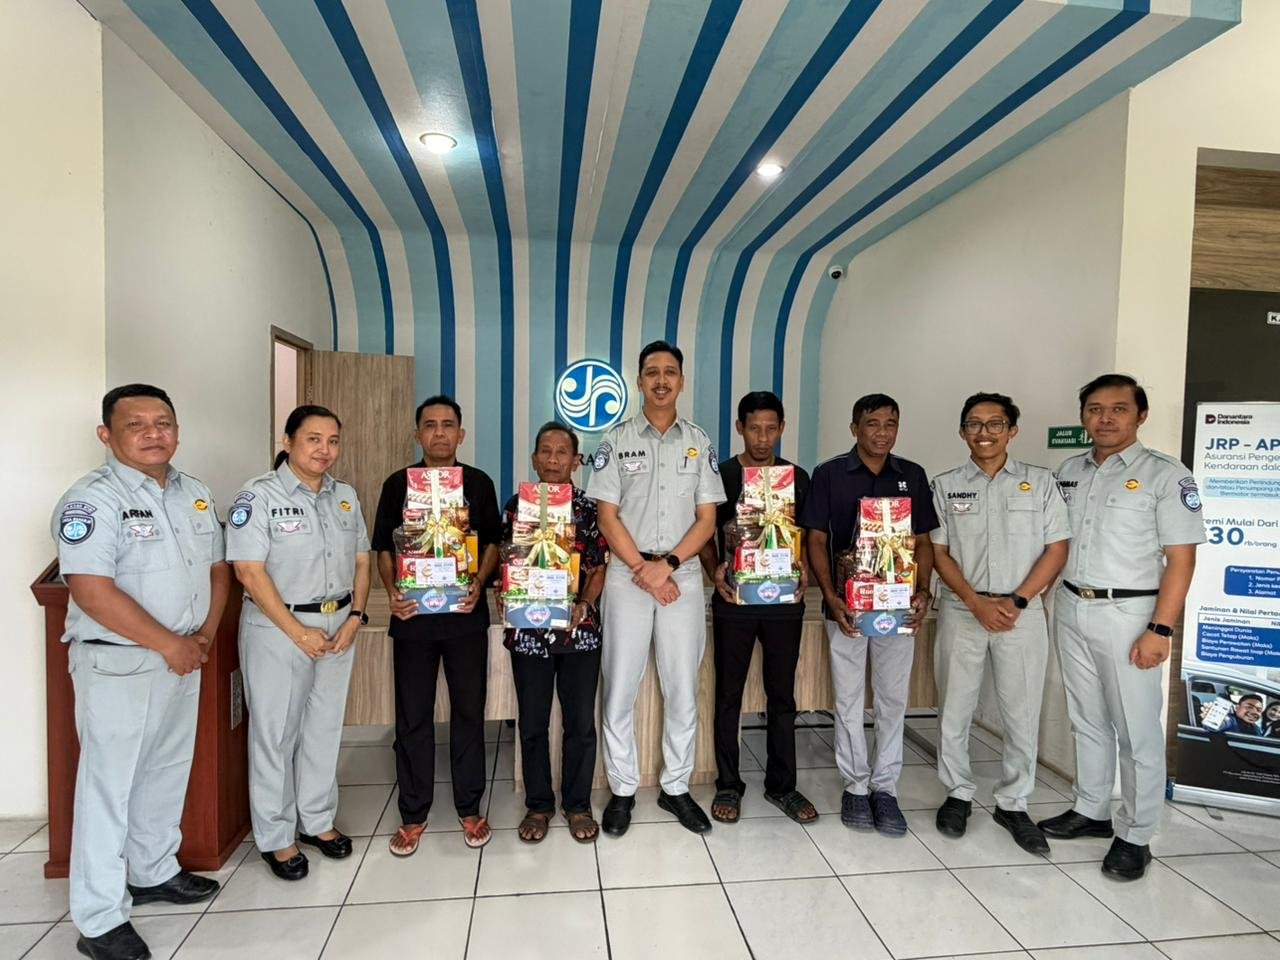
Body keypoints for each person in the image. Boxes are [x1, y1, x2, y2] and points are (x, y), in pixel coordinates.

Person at [53, 384, 229, 960]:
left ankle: (153, 870)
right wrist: (169, 643)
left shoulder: (194, 493)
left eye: (164, 423)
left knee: (165, 768)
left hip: (184, 657)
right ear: (106, 435)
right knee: (108, 787)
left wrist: (202, 637)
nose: (154, 434)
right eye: (137, 425)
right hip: (119, 664)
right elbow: (91, 590)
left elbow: (218, 569)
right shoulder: (91, 500)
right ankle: (100, 918)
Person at [1038, 374, 1205, 881]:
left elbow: (1181, 560)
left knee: (1136, 730)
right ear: (1083, 416)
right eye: (1094, 409)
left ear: (1140, 416)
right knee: (1086, 718)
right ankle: (1092, 809)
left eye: (1118, 409)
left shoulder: (1165, 475)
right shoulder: (1069, 471)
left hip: (1131, 614)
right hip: (1071, 605)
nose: (1105, 418)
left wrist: (1161, 629)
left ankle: (1136, 834)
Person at [226, 405, 371, 881]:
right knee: (275, 734)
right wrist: (297, 632)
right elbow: (248, 571)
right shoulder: (258, 496)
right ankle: (276, 836)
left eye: (333, 440)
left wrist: (356, 617)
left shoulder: (344, 496)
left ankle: (317, 820)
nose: (324, 450)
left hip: (338, 627)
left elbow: (362, 562)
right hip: (279, 631)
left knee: (323, 729)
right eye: (313, 439)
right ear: (287, 441)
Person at [587, 340, 726, 836]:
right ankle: (623, 789)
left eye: (670, 372)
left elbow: (707, 519)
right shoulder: (615, 440)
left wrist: (665, 565)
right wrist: (642, 569)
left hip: (679, 574)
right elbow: (607, 516)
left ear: (681, 381)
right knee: (619, 687)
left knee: (682, 688)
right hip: (627, 575)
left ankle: (676, 787)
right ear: (639, 381)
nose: (661, 380)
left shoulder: (699, 442)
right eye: (652, 372)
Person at [929, 392, 1070, 853]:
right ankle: (957, 792)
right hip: (962, 610)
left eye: (995, 423)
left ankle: (1013, 801)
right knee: (954, 708)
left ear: (1012, 430)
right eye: (974, 424)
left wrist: (1018, 600)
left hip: (1020, 614)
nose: (984, 432)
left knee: (1021, 712)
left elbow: (1057, 548)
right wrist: (975, 602)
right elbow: (938, 552)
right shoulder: (945, 485)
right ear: (962, 431)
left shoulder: (1040, 483)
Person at [799, 394, 937, 837]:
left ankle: (886, 788)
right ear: (854, 427)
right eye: (872, 423)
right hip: (847, 609)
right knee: (849, 698)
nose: (882, 432)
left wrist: (922, 590)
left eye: (890, 424)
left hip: (897, 607)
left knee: (893, 700)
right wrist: (830, 597)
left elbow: (923, 542)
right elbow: (815, 539)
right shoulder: (830, 474)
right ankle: (856, 785)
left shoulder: (912, 475)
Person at [373, 396, 502, 854]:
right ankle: (413, 812)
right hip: (413, 619)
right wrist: (392, 592)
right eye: (430, 425)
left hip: (465, 615)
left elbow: (493, 543)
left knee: (469, 713)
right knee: (413, 716)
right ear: (418, 434)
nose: (440, 433)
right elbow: (383, 548)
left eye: (448, 425)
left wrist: (479, 582)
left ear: (461, 434)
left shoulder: (478, 483)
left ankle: (470, 806)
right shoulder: (397, 485)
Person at [699, 391, 817, 825]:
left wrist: (804, 571)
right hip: (734, 600)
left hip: (784, 603)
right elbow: (704, 532)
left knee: (782, 695)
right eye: (754, 428)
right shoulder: (722, 476)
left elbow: (808, 534)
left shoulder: (796, 477)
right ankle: (728, 784)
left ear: (782, 428)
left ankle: (782, 786)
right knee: (728, 694)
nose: (762, 438)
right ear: (740, 428)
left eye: (771, 429)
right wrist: (715, 572)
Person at [499, 422, 607, 844]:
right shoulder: (517, 506)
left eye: (562, 452)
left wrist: (585, 604)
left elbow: (598, 567)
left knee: (580, 723)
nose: (553, 459)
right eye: (545, 451)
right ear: (534, 458)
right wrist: (504, 593)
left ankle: (577, 804)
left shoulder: (589, 509)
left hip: (579, 631)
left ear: (576, 461)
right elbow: (507, 562)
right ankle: (539, 805)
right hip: (529, 630)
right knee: (532, 722)